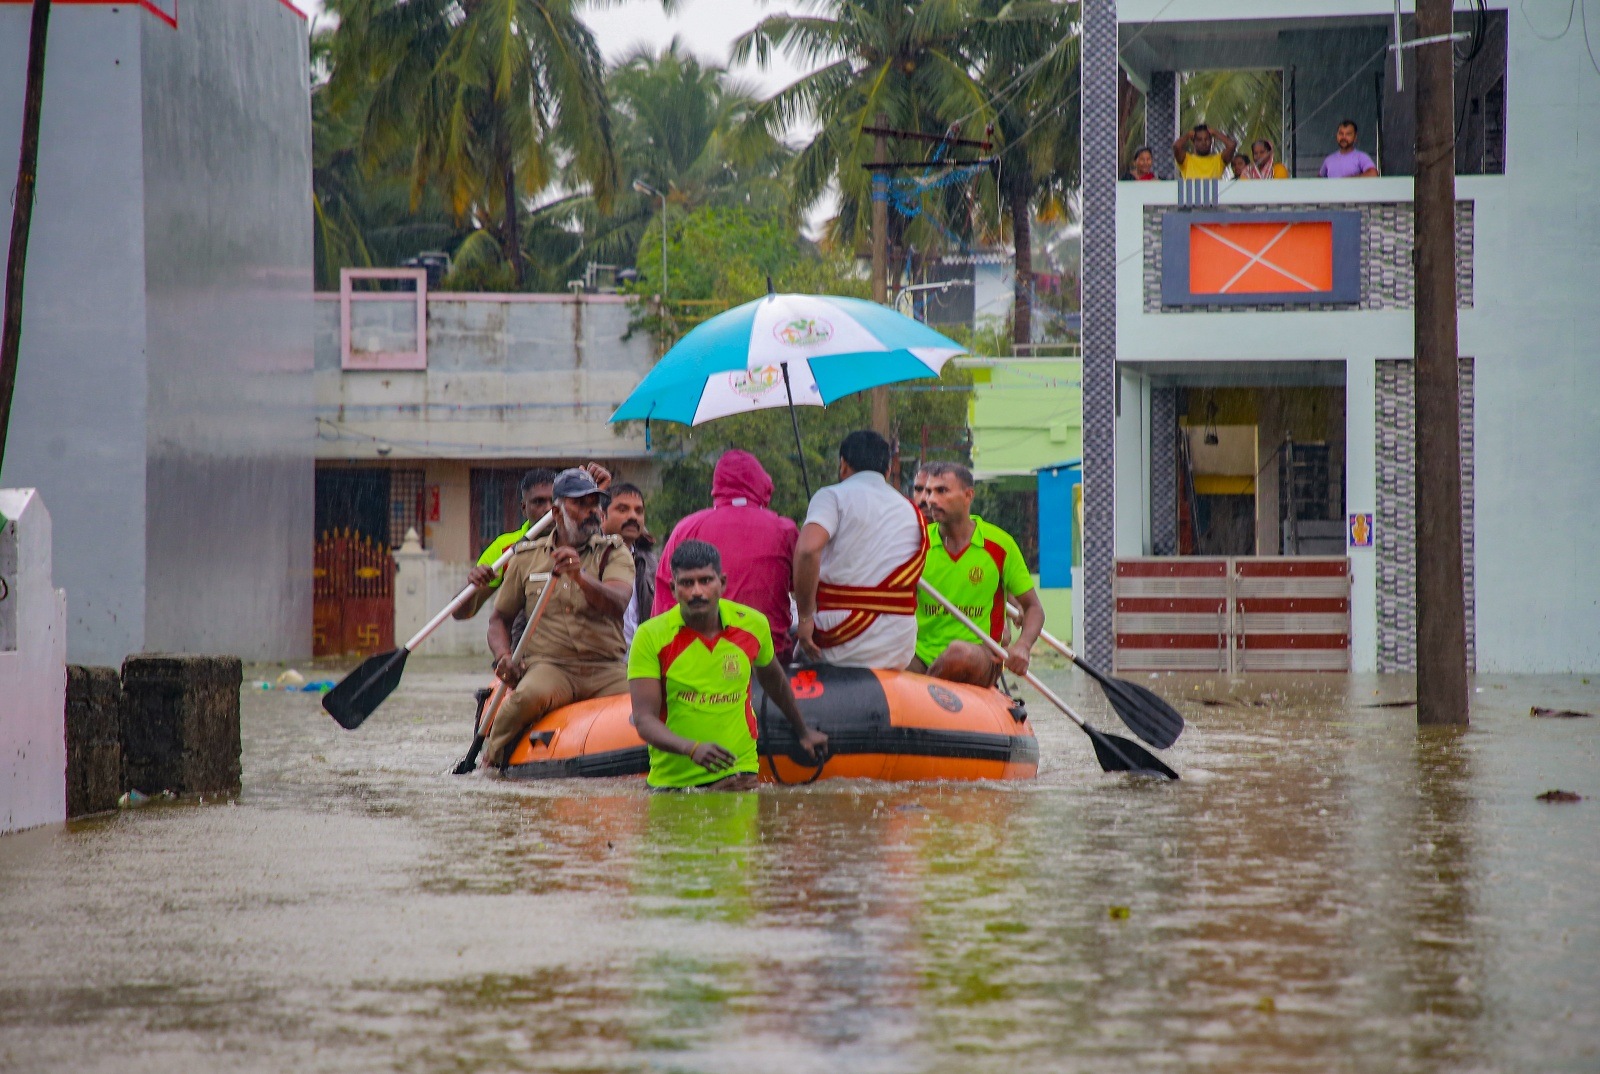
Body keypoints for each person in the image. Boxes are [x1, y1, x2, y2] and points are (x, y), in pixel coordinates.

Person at [629, 541, 828, 791]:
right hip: (674, 784)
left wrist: (803, 731)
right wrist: (691, 749)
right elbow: (644, 719)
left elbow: (774, 681)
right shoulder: (650, 637)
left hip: (739, 775)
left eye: (705, 580)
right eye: (687, 583)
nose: (697, 592)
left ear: (722, 583)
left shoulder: (752, 625)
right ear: (673, 588)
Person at [482, 468, 634, 769]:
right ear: (556, 511)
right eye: (580, 504)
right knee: (524, 699)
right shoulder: (526, 557)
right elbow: (498, 619)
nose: (591, 511)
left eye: (595, 503)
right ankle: (491, 763)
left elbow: (617, 603)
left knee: (654, 698)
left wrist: (580, 576)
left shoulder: (613, 552)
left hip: (605, 668)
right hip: (552, 668)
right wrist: (503, 656)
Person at [793, 430, 928, 670]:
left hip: (840, 638)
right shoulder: (911, 510)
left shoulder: (831, 496)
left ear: (843, 465)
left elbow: (806, 551)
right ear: (887, 471)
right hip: (899, 642)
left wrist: (804, 618)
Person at [652, 450, 799, 662]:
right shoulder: (784, 529)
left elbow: (663, 604)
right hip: (767, 657)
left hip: (699, 660)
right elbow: (802, 585)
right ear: (762, 484)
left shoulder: (685, 528)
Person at [910, 463, 1045, 687]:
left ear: (968, 495)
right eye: (928, 491)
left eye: (941, 491)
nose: (930, 499)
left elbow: (1033, 608)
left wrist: (1023, 646)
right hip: (921, 654)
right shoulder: (916, 543)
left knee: (959, 652)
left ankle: (920, 696)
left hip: (982, 655)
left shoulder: (999, 544)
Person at [454, 468, 557, 620]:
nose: (548, 509)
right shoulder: (505, 547)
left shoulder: (580, 540)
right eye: (538, 502)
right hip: (521, 640)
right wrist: (474, 586)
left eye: (554, 501)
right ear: (524, 508)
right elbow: (460, 613)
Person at [602, 482, 656, 648]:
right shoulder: (587, 558)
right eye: (622, 509)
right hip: (599, 664)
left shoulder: (651, 564)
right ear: (602, 515)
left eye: (638, 511)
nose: (633, 516)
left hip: (641, 662)